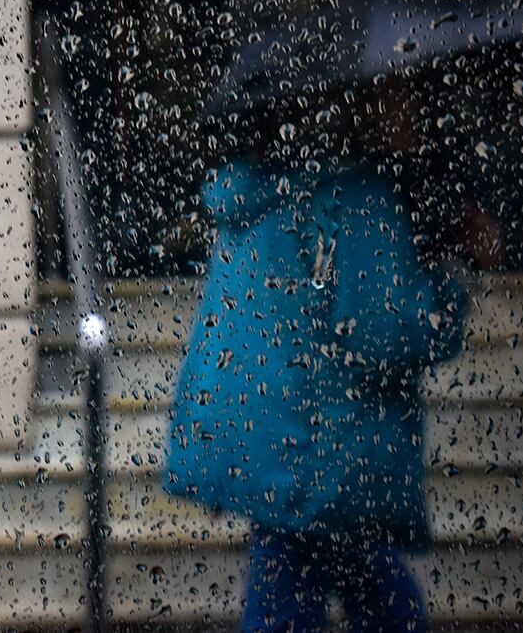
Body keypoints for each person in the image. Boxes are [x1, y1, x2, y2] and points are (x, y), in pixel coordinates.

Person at [163, 84, 469, 633]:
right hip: (321, 451)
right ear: (366, 107)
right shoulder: (357, 200)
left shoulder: (258, 193)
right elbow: (383, 335)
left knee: (345, 591)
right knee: (344, 602)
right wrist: (449, 285)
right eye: (403, 98)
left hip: (270, 437)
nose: (417, 110)